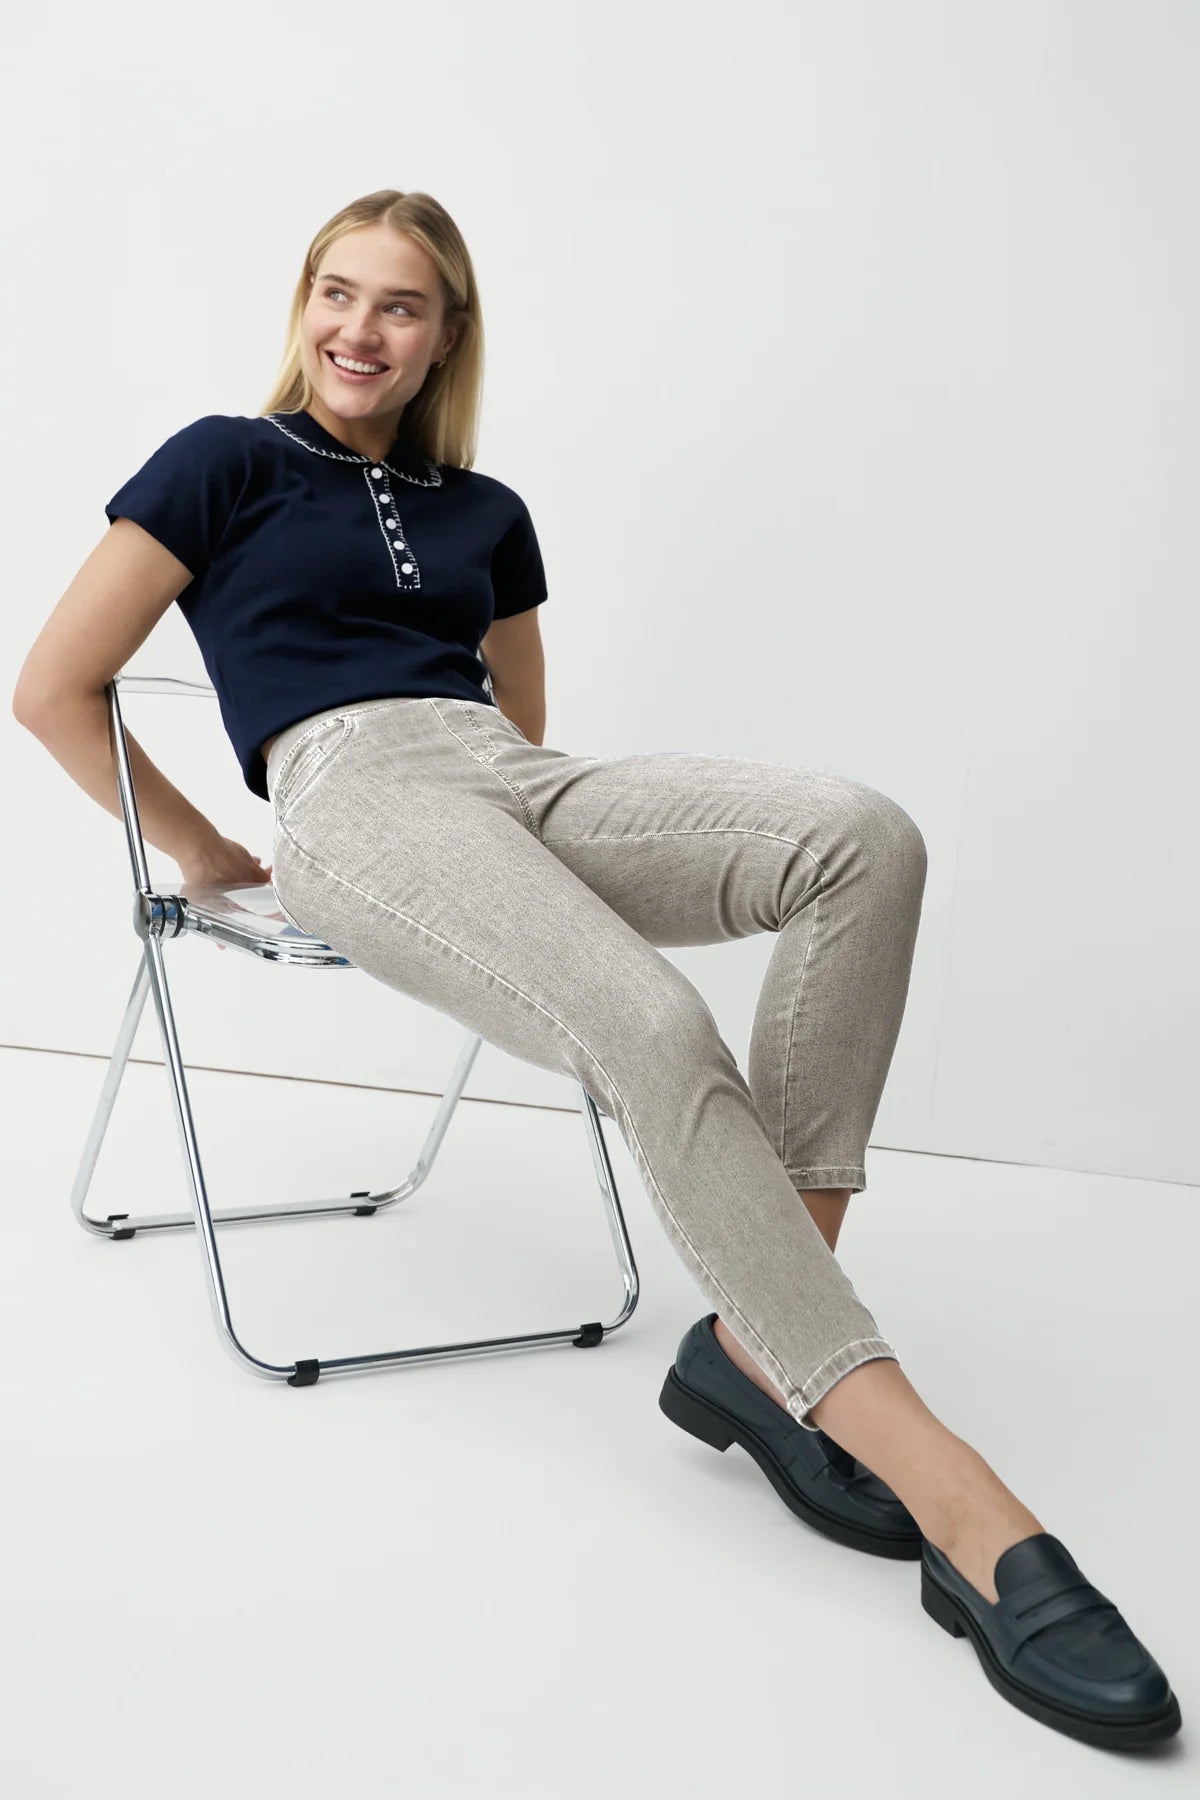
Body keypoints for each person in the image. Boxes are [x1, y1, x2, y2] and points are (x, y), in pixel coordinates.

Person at [12, 189, 1180, 1749]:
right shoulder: (222, 459)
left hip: (510, 780)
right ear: (303, 304)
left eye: (401, 304)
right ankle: (962, 1500)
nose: (361, 329)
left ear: (447, 336)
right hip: (350, 796)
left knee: (864, 840)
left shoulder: (486, 511)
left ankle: (765, 1348)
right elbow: (54, 686)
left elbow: (522, 727)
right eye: (337, 293)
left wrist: (518, 838)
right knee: (651, 1018)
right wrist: (210, 850)